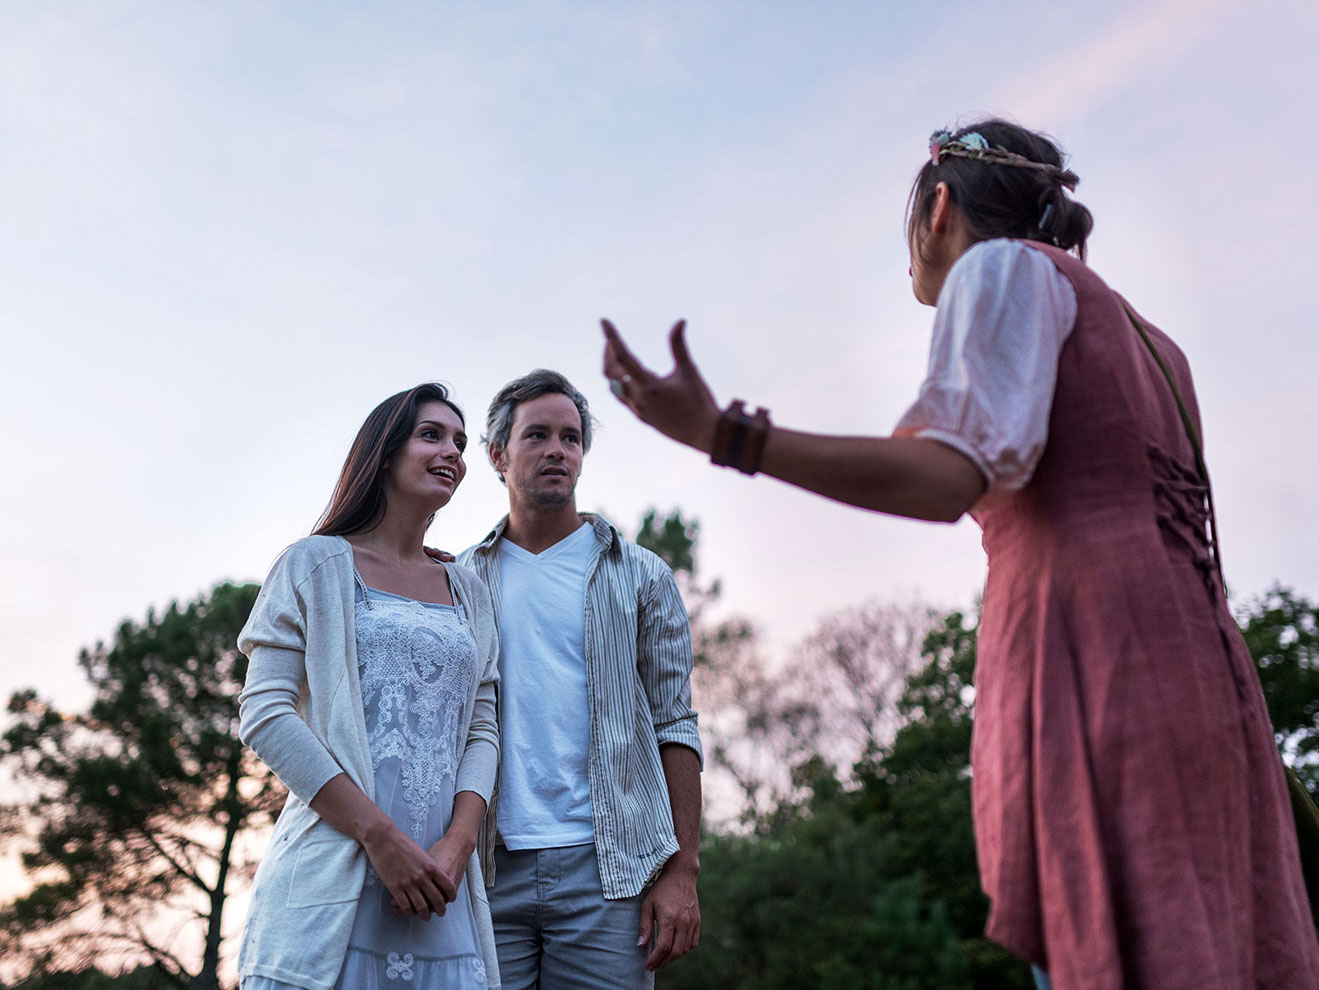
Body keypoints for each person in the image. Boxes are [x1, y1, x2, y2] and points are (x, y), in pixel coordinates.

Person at [600, 119, 1319, 988]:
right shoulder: (1153, 342)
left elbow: (949, 474)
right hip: (1207, 681)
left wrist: (727, 435)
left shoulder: (1002, 270)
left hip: (1101, 662)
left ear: (938, 207)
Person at [235, 383, 502, 990]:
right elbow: (266, 712)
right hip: (332, 887)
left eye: (461, 442)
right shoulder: (312, 564)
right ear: (383, 452)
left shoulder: (471, 592)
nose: (453, 452)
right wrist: (380, 838)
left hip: (445, 892)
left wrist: (459, 845)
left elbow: (482, 727)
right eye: (431, 434)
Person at [456, 369, 702, 990]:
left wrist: (681, 872)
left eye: (570, 437)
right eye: (536, 435)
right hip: (484, 869)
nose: (556, 450)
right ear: (496, 454)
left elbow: (676, 723)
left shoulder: (640, 575)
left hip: (610, 870)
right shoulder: (459, 581)